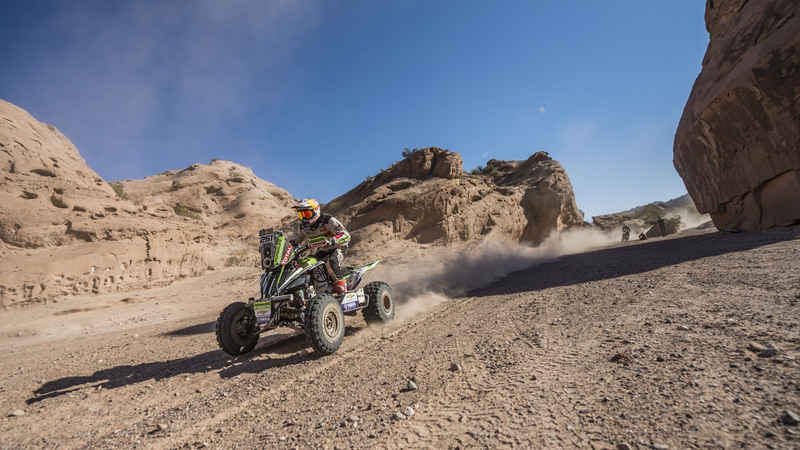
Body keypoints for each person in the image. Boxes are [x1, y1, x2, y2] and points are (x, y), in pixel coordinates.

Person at [290, 198, 351, 294]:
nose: (304, 217)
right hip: (323, 249)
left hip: (338, 247)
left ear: (315, 211)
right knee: (309, 265)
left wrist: (332, 240)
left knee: (330, 264)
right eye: (302, 214)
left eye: (307, 214)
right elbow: (295, 240)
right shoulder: (303, 227)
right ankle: (317, 291)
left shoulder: (328, 220)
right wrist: (285, 246)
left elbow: (346, 235)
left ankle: (343, 292)